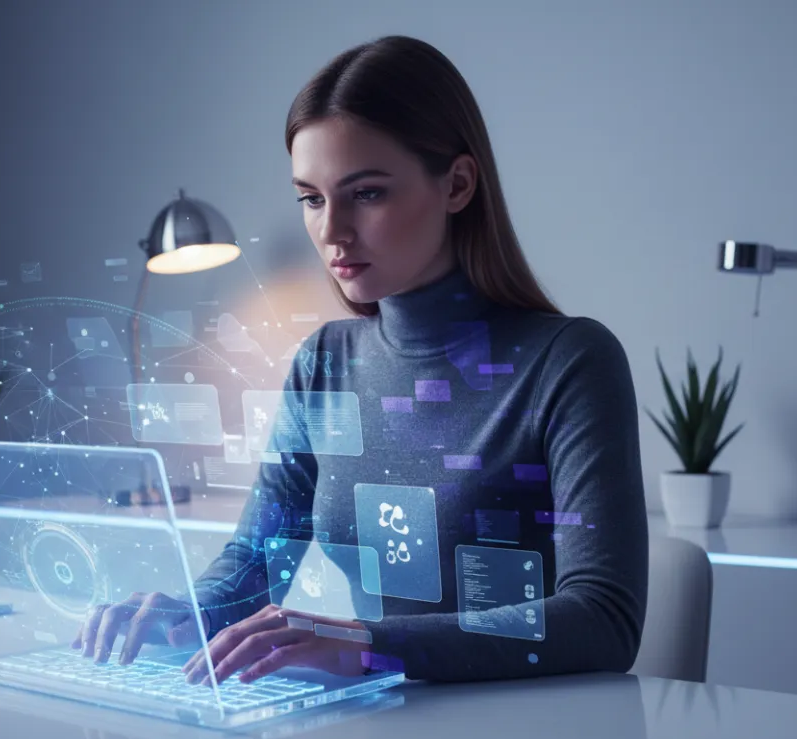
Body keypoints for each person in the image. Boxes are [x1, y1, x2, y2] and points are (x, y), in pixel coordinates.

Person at [74, 34, 648, 685]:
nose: (331, 231)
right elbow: (258, 557)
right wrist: (184, 611)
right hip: (374, 725)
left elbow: (603, 619)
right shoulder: (323, 361)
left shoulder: (568, 362)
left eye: (366, 194)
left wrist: (369, 645)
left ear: (457, 184)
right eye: (312, 198)